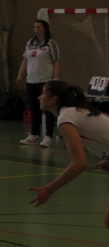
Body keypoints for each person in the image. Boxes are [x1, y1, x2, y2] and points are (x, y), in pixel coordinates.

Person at [27, 80, 109, 229]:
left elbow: (79, 164)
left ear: (54, 99)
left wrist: (49, 189)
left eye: (43, 93)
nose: (39, 97)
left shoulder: (66, 117)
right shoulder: (75, 112)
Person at [18, 19, 61, 147]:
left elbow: (56, 61)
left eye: (38, 27)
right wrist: (20, 74)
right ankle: (34, 135)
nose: (36, 29)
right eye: (34, 27)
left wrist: (55, 79)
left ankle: (48, 137)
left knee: (48, 108)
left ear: (45, 29)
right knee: (34, 108)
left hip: (45, 80)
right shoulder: (30, 43)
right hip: (31, 80)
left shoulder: (51, 44)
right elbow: (25, 59)